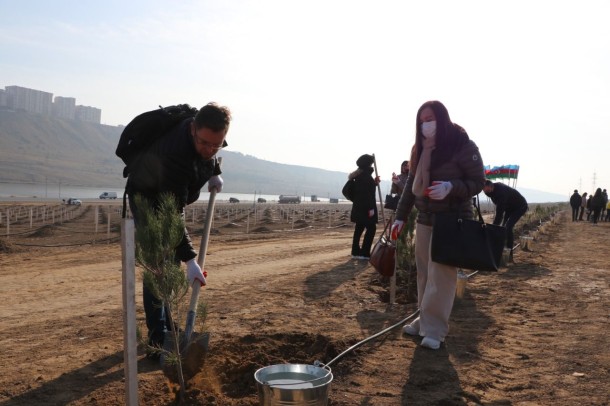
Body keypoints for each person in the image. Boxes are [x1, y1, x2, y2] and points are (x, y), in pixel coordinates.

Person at [126, 102, 231, 354]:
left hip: (169, 192)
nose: (209, 149)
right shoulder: (175, 154)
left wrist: (214, 170)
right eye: (204, 143)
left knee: (169, 263)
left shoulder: (206, 134)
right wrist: (191, 260)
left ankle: (167, 325)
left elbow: (210, 151)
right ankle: (157, 339)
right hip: (147, 197)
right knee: (158, 266)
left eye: (216, 144)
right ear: (193, 129)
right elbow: (172, 213)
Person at [391, 100, 485, 350]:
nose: (426, 125)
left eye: (430, 119)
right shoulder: (420, 148)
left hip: (452, 220)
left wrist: (451, 188)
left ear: (441, 118)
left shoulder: (461, 144)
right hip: (425, 219)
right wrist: (400, 216)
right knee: (424, 273)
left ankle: (435, 330)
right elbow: (411, 186)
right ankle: (424, 321)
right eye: (421, 121)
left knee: (442, 277)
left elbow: (477, 181)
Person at [342, 154, 380, 260]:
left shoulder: (359, 176)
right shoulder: (366, 177)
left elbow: (363, 191)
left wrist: (374, 183)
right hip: (366, 209)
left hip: (358, 208)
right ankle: (364, 253)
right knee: (371, 229)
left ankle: (355, 251)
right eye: (371, 163)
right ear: (368, 164)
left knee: (359, 229)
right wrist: (371, 210)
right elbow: (367, 195)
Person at [483, 180, 528, 260]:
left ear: (491, 186)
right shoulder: (490, 192)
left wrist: (493, 228)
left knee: (508, 227)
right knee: (503, 228)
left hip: (520, 206)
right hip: (509, 208)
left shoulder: (501, 193)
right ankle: (501, 252)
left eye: (487, 190)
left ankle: (509, 254)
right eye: (484, 190)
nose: (485, 192)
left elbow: (499, 214)